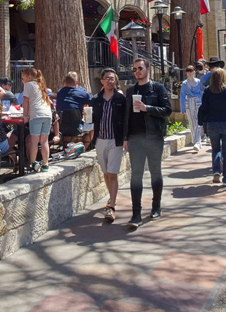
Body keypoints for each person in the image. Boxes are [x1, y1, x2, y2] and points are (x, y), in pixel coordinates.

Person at [123, 58, 172, 229]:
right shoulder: (130, 90)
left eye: (140, 68)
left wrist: (147, 108)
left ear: (148, 69)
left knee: (155, 172)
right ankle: (136, 212)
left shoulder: (157, 88)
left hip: (153, 137)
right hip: (135, 139)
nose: (137, 71)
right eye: (135, 69)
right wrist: (125, 137)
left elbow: (167, 110)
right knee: (136, 175)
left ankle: (156, 206)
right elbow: (126, 116)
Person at [91, 68, 127, 223]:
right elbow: (91, 117)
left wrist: (126, 138)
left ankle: (111, 206)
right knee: (106, 173)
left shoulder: (121, 99)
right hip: (100, 139)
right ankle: (111, 197)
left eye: (112, 78)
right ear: (102, 81)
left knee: (112, 173)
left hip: (115, 140)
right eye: (107, 78)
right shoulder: (96, 99)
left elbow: (126, 120)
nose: (110, 81)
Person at [198, 68, 226, 186]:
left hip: (212, 123)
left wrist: (201, 122)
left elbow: (203, 108)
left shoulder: (207, 91)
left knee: (215, 149)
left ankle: (217, 170)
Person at [21, 67, 53, 172]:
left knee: (34, 141)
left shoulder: (28, 85)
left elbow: (25, 101)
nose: (22, 80)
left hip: (36, 114)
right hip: (47, 114)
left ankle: (33, 162)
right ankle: (45, 164)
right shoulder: (41, 84)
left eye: (23, 78)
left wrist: (25, 115)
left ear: (29, 77)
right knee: (44, 141)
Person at [56, 71, 92, 149]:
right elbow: (92, 102)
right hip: (76, 127)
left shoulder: (59, 92)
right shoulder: (82, 93)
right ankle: (83, 149)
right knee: (92, 127)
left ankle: (68, 147)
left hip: (61, 127)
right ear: (76, 82)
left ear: (64, 82)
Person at [179, 63, 204, 152]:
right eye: (188, 72)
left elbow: (202, 93)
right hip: (188, 103)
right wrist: (182, 109)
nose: (189, 74)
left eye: (191, 72)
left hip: (198, 102)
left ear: (194, 72)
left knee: (198, 121)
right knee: (191, 122)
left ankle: (197, 142)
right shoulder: (184, 84)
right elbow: (182, 96)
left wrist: (203, 105)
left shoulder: (199, 82)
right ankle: (196, 141)